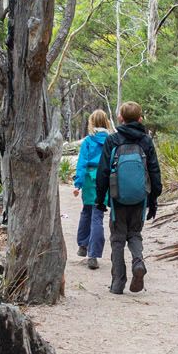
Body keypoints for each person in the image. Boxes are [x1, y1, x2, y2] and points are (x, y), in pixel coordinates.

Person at [94, 101, 162, 294]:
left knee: (117, 238)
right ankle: (138, 263)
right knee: (134, 234)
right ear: (140, 119)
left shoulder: (113, 140)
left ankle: (118, 282)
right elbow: (154, 171)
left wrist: (100, 200)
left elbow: (103, 172)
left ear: (120, 118)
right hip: (140, 197)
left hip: (117, 198)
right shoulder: (146, 141)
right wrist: (153, 200)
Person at [72, 109, 112, 270]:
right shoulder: (111, 141)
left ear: (92, 123)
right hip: (104, 179)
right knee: (98, 216)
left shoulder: (88, 141)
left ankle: (83, 245)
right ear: (106, 122)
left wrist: (78, 184)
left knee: (86, 212)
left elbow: (82, 163)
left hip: (89, 179)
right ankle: (93, 255)